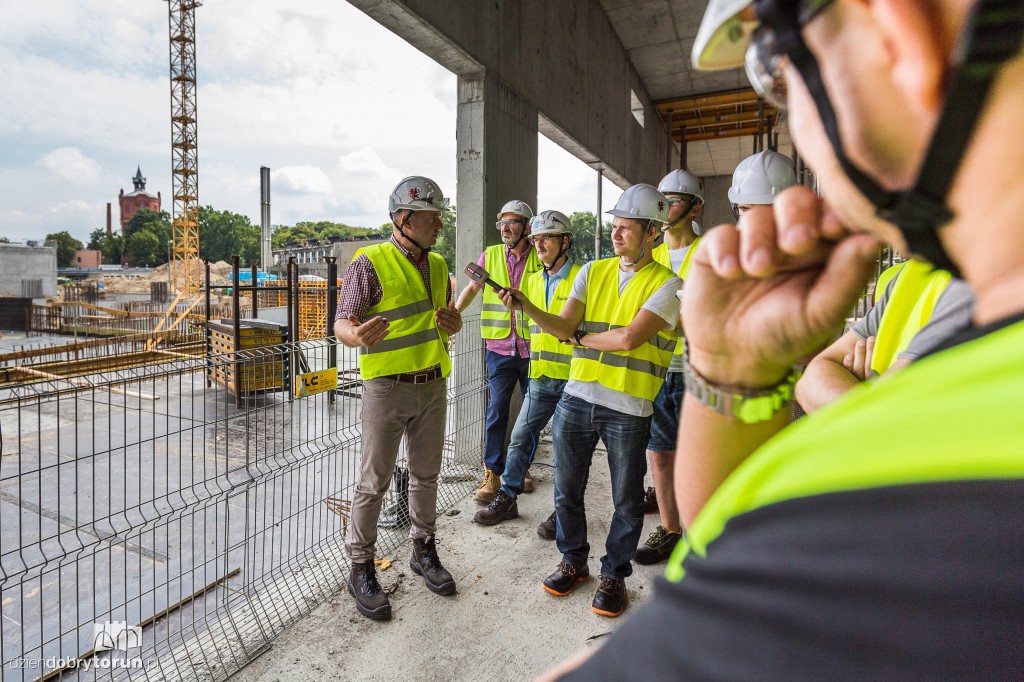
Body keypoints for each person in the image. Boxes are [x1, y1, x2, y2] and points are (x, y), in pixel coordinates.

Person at [543, 0, 1024, 678]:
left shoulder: (931, 497)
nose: (794, 123)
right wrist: (736, 373)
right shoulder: (948, 297)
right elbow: (725, 542)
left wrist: (852, 410)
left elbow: (730, 592)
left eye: (777, 74)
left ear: (897, 34)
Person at [502, 183, 682, 618]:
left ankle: (614, 575)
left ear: (652, 232)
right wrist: (527, 306)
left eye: (626, 228)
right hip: (577, 397)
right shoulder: (592, 272)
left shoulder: (670, 284)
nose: (615, 234)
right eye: (614, 226)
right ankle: (573, 561)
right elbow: (563, 326)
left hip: (629, 407)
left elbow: (629, 338)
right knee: (566, 490)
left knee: (626, 501)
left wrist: (580, 339)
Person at [334, 175, 462, 622]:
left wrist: (453, 325)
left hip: (432, 384)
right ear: (405, 218)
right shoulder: (370, 262)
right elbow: (342, 322)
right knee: (374, 482)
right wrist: (355, 336)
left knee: (427, 475)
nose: (439, 225)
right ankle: (361, 567)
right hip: (387, 388)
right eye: (432, 217)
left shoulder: (440, 265)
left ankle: (423, 549)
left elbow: (442, 321)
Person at [473, 210, 580, 536]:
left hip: (574, 379)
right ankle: (508, 497)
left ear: (565, 242)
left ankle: (564, 513)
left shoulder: (582, 278)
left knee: (566, 449)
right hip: (541, 375)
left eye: (547, 238)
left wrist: (527, 307)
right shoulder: (532, 281)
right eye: (536, 239)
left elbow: (566, 327)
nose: (539, 244)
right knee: (520, 438)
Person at [633, 169, 704, 564]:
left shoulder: (711, 254)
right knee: (660, 454)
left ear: (694, 209)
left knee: (699, 456)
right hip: (658, 367)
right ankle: (670, 529)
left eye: (673, 200)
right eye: (661, 200)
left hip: (698, 369)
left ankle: (702, 533)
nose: (664, 207)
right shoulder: (652, 255)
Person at [798, 259, 974, 412]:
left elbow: (900, 405)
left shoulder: (972, 283)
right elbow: (811, 381)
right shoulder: (912, 273)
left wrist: (861, 394)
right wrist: (871, 399)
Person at [455, 200, 542, 503]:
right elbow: (471, 289)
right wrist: (454, 313)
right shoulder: (490, 255)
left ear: (527, 227)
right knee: (496, 412)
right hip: (499, 348)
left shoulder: (539, 257)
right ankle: (492, 473)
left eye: (512, 222)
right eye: (501, 223)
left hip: (533, 348)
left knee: (531, 414)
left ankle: (521, 468)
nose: (505, 228)